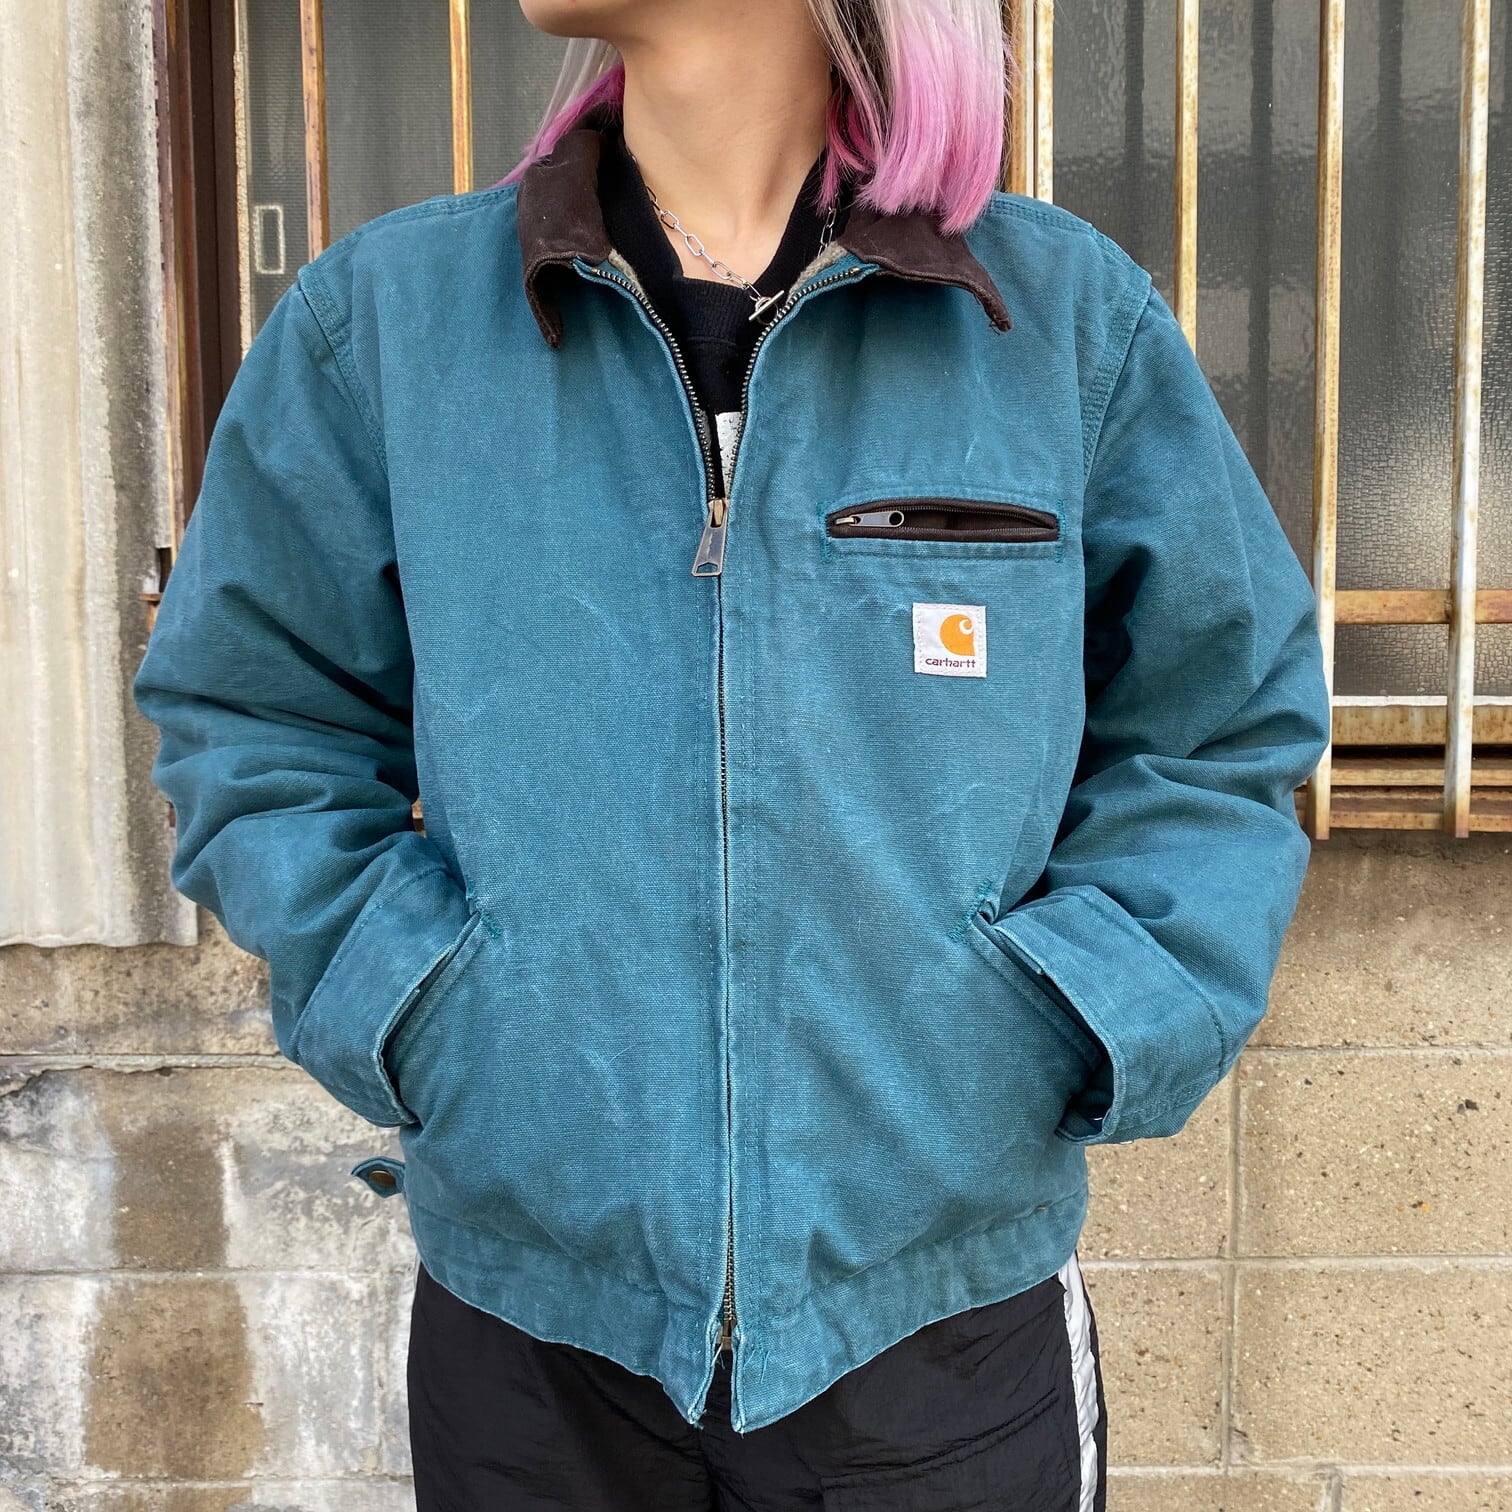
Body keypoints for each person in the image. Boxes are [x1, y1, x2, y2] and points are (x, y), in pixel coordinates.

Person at [131, 0, 1332, 1507]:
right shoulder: (388, 325)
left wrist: (1062, 1019)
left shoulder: (1056, 323)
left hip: (936, 1330)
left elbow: (1219, 727)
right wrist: (426, 1007)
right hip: (535, 1340)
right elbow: (259, 718)